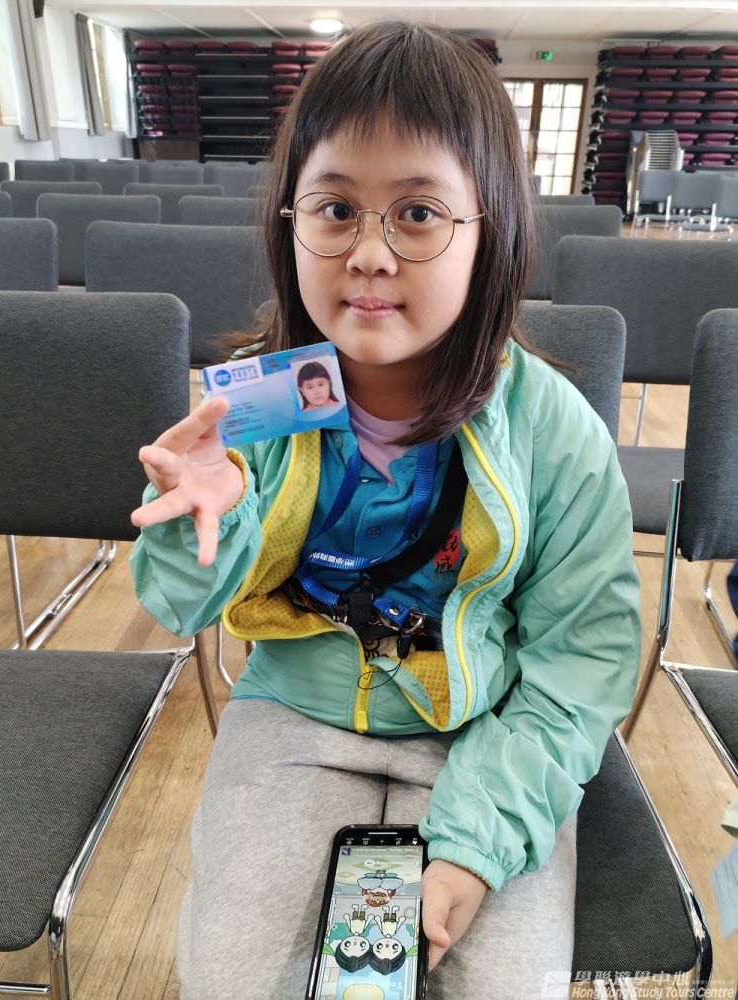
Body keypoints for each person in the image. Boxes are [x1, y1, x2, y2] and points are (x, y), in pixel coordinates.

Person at [129, 19, 641, 999]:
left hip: (486, 728)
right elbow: (177, 605)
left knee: (507, 984)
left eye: (417, 213)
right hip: (295, 717)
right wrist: (204, 524)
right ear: (291, 221)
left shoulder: (553, 429)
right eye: (335, 209)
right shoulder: (254, 407)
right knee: (232, 975)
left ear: (491, 230)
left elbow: (582, 658)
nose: (368, 253)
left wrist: (476, 845)